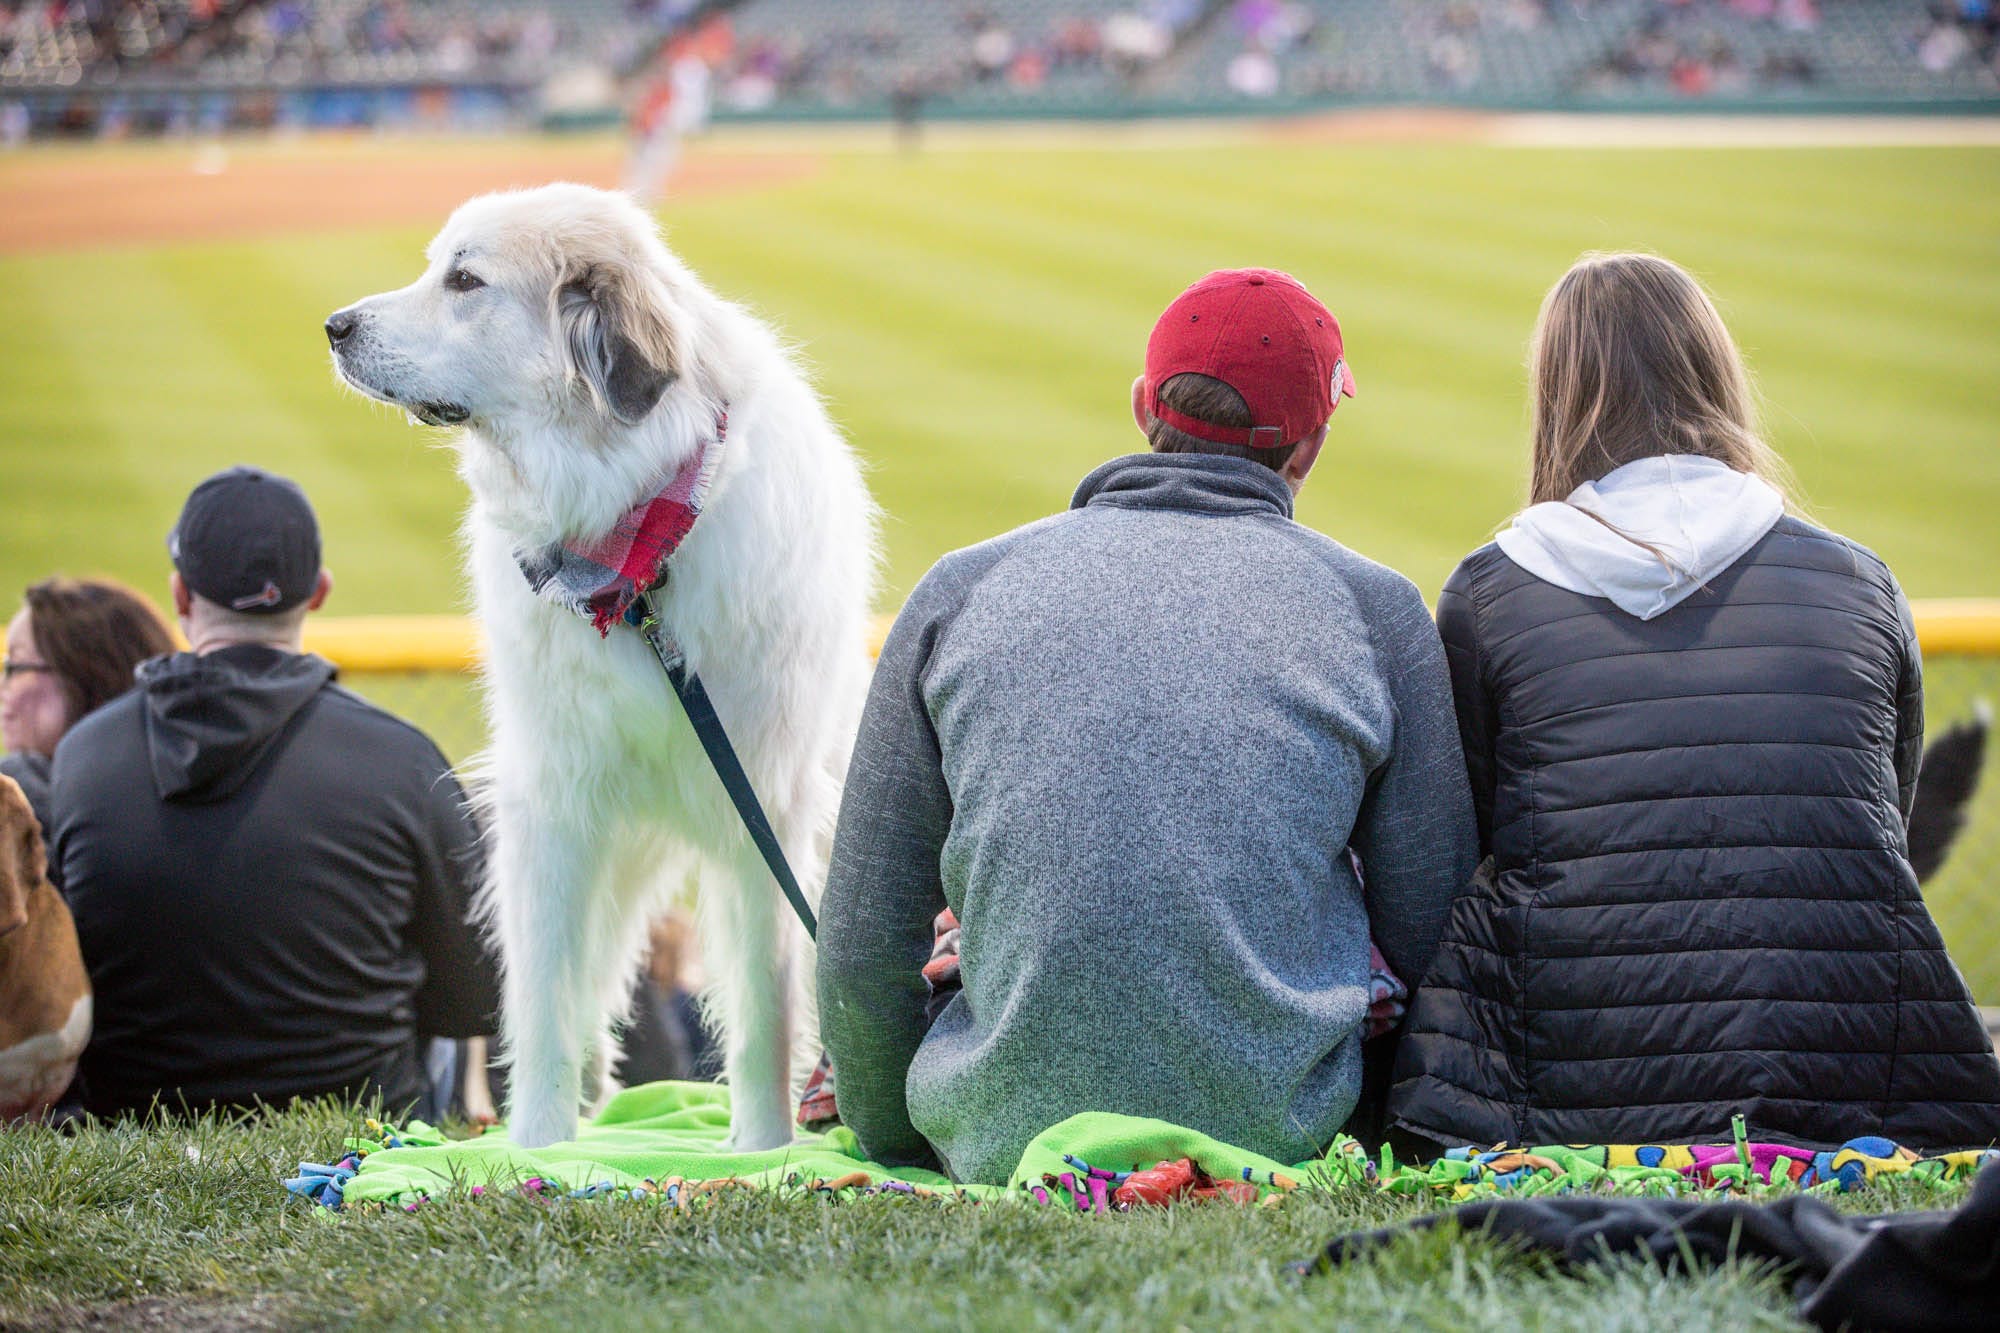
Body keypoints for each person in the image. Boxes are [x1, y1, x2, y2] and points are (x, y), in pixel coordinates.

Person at [817, 269, 1478, 1183]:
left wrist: (903, 1135)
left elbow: (862, 936)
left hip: (994, 1134)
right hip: (1283, 1134)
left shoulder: (960, 588)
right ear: (1310, 447)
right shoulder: (1376, 610)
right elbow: (1435, 932)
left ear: (1143, 406)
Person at [1388, 253, 2000, 1154]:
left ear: (1560, 396)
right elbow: (1876, 820)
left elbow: (1476, 842)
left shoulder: (1488, 595)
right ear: (1714, 375)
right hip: (1854, 1086)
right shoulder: (1864, 584)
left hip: (1568, 1091)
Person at [49, 466, 499, 1120]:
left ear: (179, 594)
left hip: (132, 1122)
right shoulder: (404, 759)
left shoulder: (81, 755)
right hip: (359, 1136)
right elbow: (476, 996)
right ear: (318, 593)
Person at [1, 578, 175, 841]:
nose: (4, 685)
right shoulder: (183, 793)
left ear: (87, 677)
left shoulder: (15, 801)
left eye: (17, 666)